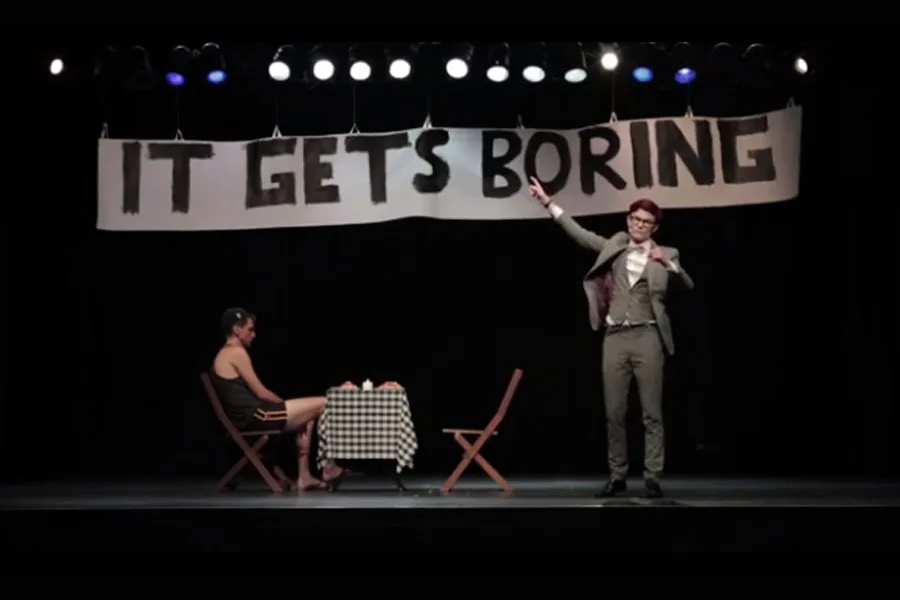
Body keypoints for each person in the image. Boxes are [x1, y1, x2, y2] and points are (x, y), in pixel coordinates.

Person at [528, 177, 694, 498]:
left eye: (646, 222)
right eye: (635, 219)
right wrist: (548, 204)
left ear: (654, 227)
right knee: (615, 411)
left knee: (651, 412)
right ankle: (617, 475)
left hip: (648, 335)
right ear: (628, 220)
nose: (639, 225)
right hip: (615, 336)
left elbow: (687, 286)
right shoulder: (615, 246)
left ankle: (652, 477)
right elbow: (579, 234)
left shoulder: (668, 253)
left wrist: (667, 264)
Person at [210, 307, 344, 491]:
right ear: (236, 330)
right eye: (250, 329)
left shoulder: (225, 353)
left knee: (309, 414)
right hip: (257, 416)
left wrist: (292, 410)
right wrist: (284, 406)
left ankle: (304, 476)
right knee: (325, 402)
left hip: (252, 416)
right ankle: (329, 466)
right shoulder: (235, 352)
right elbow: (261, 393)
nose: (254, 334)